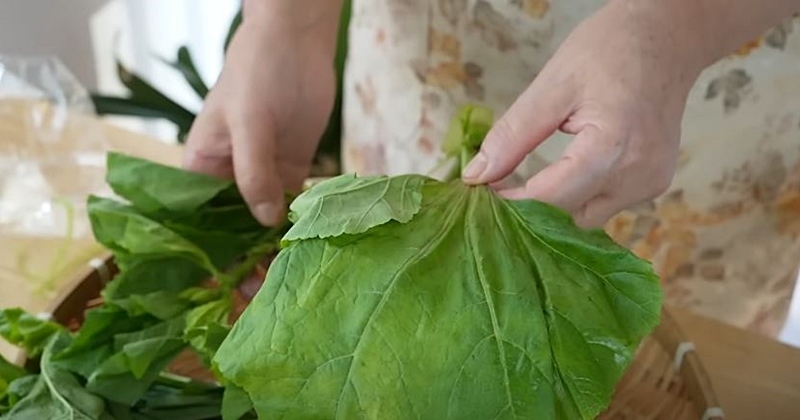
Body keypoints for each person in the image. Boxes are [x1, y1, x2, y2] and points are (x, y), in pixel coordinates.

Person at [184, 0, 800, 338]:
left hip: (700, 89)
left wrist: (678, 26)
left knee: (673, 354)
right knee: (393, 331)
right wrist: (286, 21)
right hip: (423, 53)